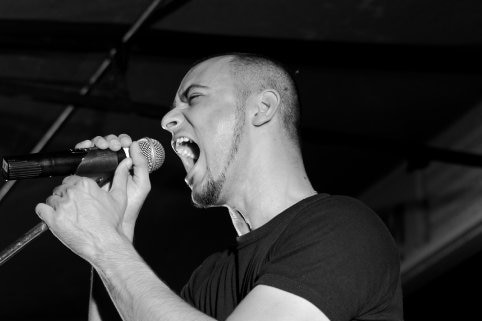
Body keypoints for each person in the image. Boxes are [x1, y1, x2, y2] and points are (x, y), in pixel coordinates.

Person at [35, 53, 403, 321]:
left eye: (193, 98)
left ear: (262, 108)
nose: (167, 120)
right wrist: (118, 227)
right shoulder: (211, 278)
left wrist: (106, 246)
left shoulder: (343, 228)